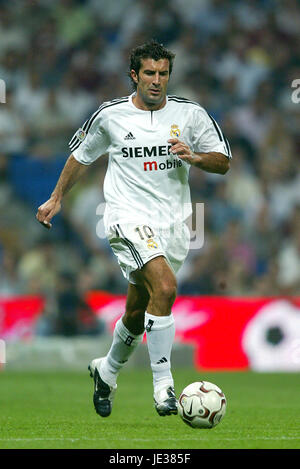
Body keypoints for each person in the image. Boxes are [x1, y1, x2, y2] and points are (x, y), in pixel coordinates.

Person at [36, 40, 231, 418]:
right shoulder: (111, 115)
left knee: (138, 310)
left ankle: (106, 371)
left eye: (163, 74)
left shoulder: (190, 114)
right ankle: (164, 388)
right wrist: (56, 197)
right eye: (149, 74)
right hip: (126, 218)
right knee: (166, 288)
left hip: (174, 226)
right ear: (134, 75)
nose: (157, 81)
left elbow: (223, 162)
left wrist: (195, 156)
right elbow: (81, 155)